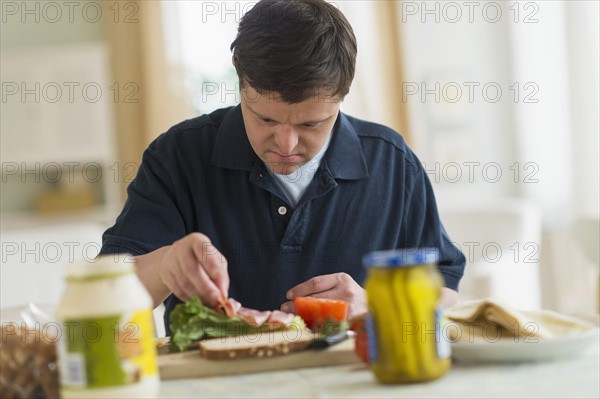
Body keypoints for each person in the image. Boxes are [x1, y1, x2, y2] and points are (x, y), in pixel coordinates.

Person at [99, 0, 465, 334]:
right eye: (265, 120)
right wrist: (165, 264)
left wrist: (377, 307)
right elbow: (104, 295)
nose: (285, 145)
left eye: (310, 125)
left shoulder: (392, 162)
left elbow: (444, 284)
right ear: (240, 82)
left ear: (342, 95)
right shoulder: (176, 156)